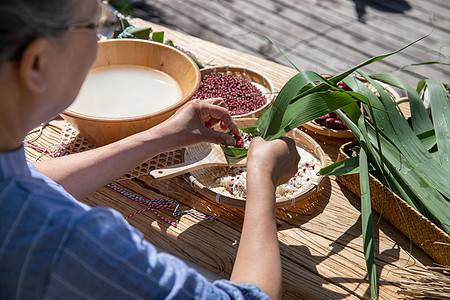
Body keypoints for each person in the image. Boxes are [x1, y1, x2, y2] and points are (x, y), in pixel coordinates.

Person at [0, 0, 300, 299]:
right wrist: (261, 175)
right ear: (37, 63)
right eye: (94, 25)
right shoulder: (71, 241)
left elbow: (34, 180)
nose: (102, 40)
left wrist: (161, 136)